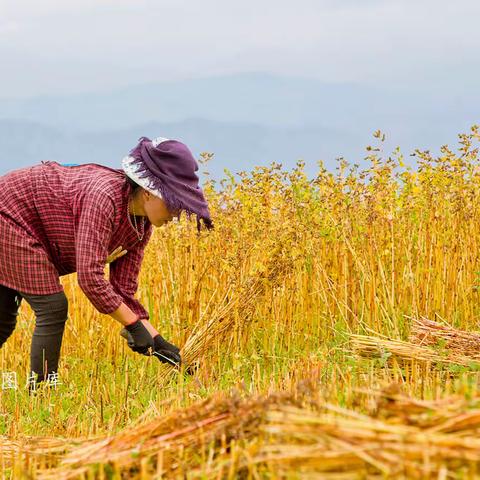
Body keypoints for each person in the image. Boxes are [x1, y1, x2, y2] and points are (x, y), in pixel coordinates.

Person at [0, 136, 213, 388]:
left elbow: (122, 291)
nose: (176, 214)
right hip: (10, 216)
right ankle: (43, 391)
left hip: (33, 233)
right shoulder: (105, 197)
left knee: (2, 318)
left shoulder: (140, 226)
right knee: (52, 307)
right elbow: (90, 278)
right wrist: (133, 326)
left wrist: (159, 344)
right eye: (174, 203)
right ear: (147, 193)